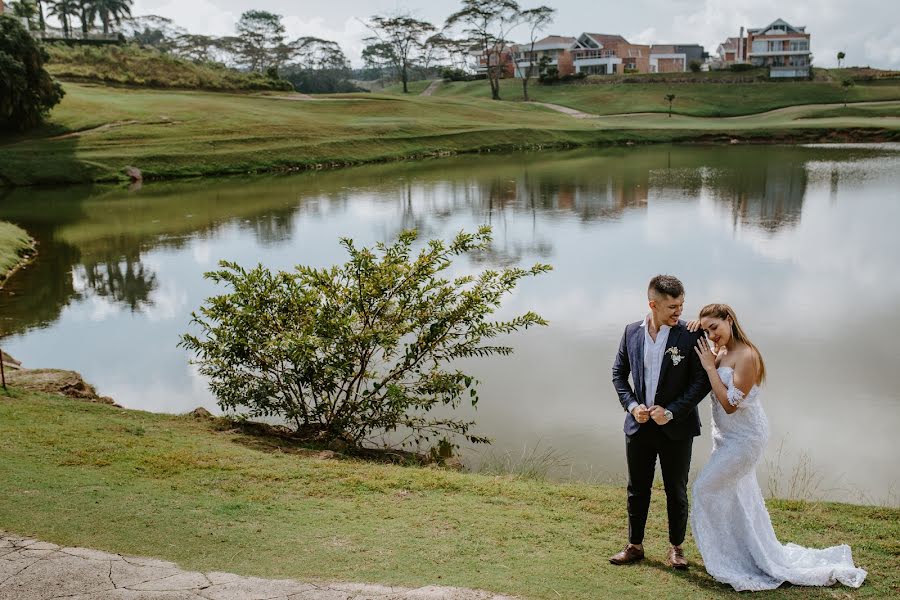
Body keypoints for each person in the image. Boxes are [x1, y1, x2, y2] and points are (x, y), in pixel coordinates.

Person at [688, 303, 867, 591]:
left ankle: (727, 559)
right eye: (705, 329)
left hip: (745, 438)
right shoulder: (718, 351)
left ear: (729, 321)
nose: (711, 334)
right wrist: (693, 327)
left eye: (715, 327)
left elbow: (730, 405)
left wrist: (709, 368)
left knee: (704, 488)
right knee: (738, 497)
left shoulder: (747, 355)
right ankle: (746, 554)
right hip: (723, 437)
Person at [610, 275, 711, 569]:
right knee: (636, 488)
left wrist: (671, 411)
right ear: (653, 304)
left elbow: (701, 382)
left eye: (681, 305)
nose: (679, 312)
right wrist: (631, 406)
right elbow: (618, 374)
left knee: (676, 490)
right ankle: (634, 545)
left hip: (676, 429)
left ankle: (677, 548)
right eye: (672, 307)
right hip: (639, 426)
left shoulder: (691, 335)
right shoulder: (631, 333)